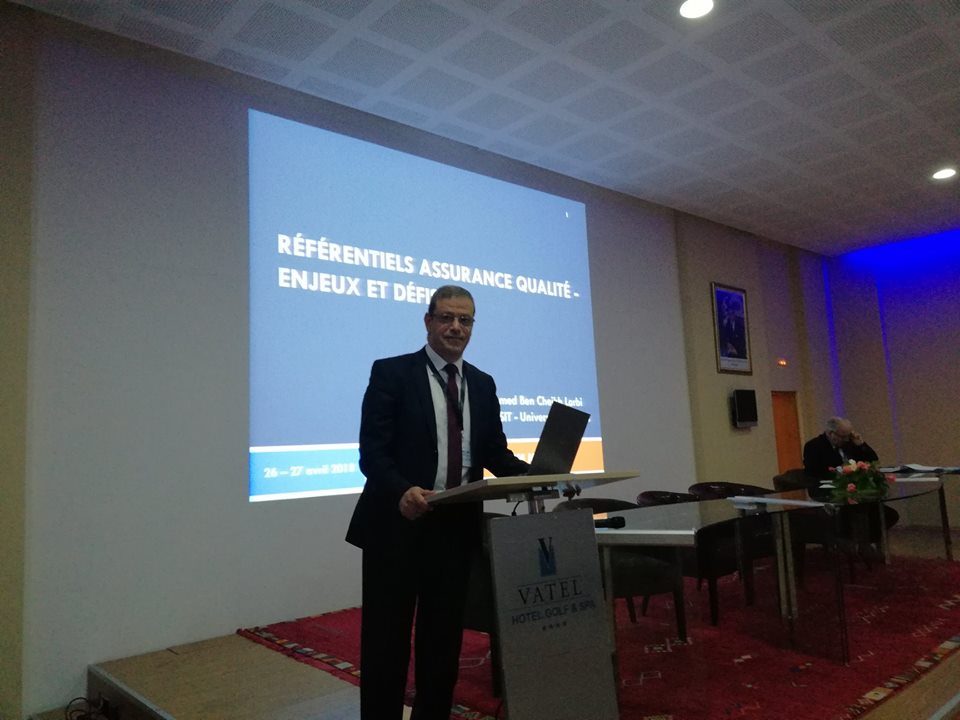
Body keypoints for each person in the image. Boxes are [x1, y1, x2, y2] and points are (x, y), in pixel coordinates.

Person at [345, 284, 528, 720]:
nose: (456, 327)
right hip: (397, 524)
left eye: (465, 320)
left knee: (442, 641)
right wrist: (401, 490)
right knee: (386, 641)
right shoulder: (392, 373)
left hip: (455, 528)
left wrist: (538, 476)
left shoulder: (481, 384)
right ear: (428, 321)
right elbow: (373, 453)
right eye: (446, 317)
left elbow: (494, 453)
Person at [803, 416, 879, 479]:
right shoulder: (813, 446)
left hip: (854, 486)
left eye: (848, 436)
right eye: (843, 436)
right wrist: (841, 471)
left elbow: (873, 460)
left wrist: (861, 444)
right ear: (830, 433)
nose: (846, 439)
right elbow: (813, 474)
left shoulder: (850, 442)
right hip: (828, 488)